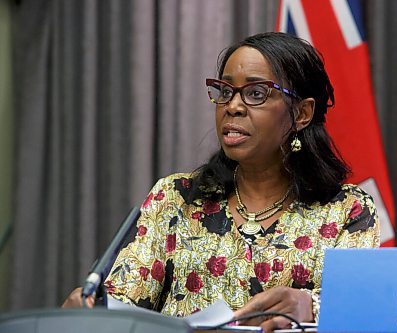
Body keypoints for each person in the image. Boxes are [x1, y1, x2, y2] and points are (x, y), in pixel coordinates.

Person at [63, 32, 380, 332]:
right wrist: (93, 310)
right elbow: (123, 302)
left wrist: (310, 305)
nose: (233, 106)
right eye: (225, 91)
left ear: (301, 113)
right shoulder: (176, 198)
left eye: (256, 93)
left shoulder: (348, 210)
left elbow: (363, 312)